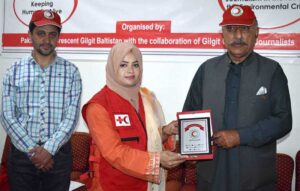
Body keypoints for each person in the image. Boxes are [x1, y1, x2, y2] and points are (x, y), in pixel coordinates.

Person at [183, 4, 292, 191]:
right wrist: (190, 149)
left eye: (245, 28)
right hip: (211, 176)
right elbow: (190, 114)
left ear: (256, 32)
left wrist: (241, 136)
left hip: (255, 177)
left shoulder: (271, 71)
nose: (238, 35)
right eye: (231, 29)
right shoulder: (206, 70)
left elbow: (283, 121)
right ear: (223, 35)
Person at [81, 42, 187, 191]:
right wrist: (156, 161)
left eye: (135, 65)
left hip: (147, 185)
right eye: (123, 65)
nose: (130, 70)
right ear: (113, 67)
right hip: (113, 185)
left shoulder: (146, 98)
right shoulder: (98, 106)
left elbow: (146, 138)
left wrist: (164, 131)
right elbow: (114, 152)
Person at [0, 9, 82, 191]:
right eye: (41, 33)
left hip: (58, 157)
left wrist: (48, 150)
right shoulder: (13, 71)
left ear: (58, 37)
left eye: (53, 34)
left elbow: (71, 119)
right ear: (30, 35)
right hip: (21, 157)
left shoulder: (72, 72)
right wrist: (33, 151)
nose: (47, 40)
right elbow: (7, 116)